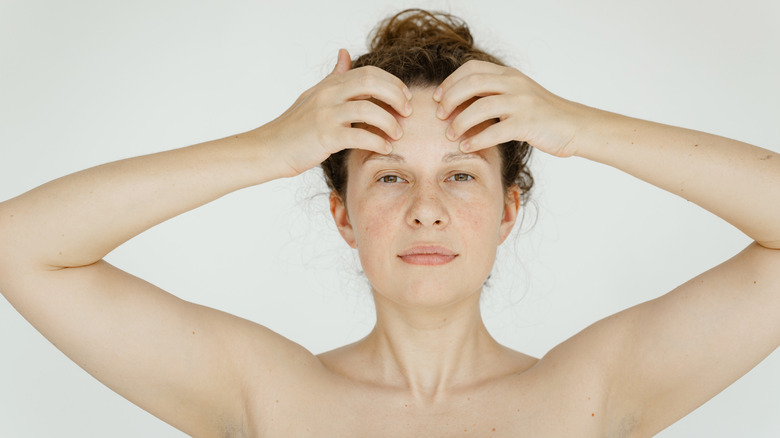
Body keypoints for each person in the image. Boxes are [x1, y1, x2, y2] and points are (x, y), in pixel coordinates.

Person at [0, 8, 778, 437]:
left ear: (510, 211)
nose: (426, 207)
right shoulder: (264, 394)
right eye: (390, 175)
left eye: (463, 174)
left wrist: (579, 126)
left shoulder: (594, 393)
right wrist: (268, 149)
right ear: (342, 213)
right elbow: (20, 247)